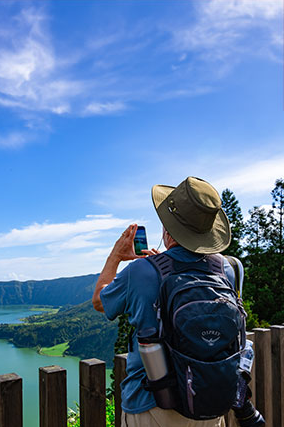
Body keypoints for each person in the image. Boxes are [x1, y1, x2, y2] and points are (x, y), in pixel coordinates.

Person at [92, 177, 241, 427]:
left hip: (152, 404)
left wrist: (116, 256)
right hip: (210, 403)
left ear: (167, 228)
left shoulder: (142, 272)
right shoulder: (225, 269)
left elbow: (99, 301)